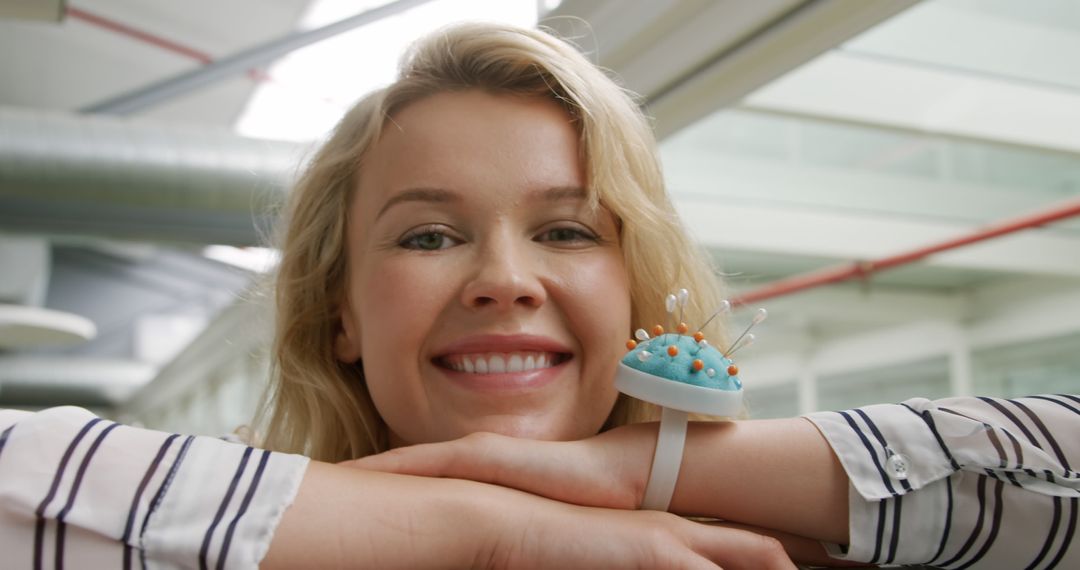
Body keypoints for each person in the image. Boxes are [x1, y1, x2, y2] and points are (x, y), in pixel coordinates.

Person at [0, 21, 1076, 569]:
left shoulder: (770, 552)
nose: (505, 280)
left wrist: (644, 477)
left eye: (567, 230)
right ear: (339, 311)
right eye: (428, 235)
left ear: (641, 288)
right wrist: (484, 530)